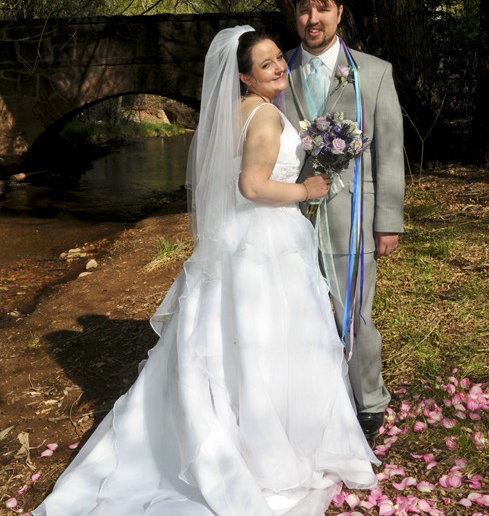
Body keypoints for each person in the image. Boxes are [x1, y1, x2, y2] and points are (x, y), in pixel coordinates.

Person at [32, 26, 378, 516]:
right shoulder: (265, 118)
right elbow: (253, 187)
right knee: (273, 341)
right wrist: (308, 190)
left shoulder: (232, 114)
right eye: (266, 65)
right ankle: (268, 448)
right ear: (243, 75)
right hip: (267, 241)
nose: (279, 67)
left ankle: (232, 423)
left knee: (229, 339)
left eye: (279, 57)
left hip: (238, 241)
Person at [277, 0, 405, 439]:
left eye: (322, 9)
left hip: (352, 215)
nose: (313, 19)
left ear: (339, 13)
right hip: (286, 218)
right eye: (305, 10)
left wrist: (388, 221)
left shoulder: (373, 71)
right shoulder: (277, 71)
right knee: (295, 310)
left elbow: (389, 151)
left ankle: (370, 400)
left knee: (355, 312)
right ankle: (311, 396)